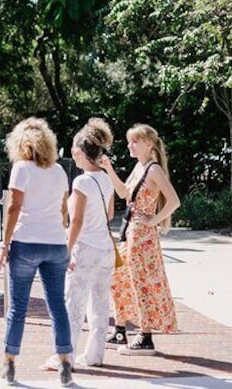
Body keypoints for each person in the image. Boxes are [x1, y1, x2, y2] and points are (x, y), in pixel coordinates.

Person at [0, 117, 74, 387]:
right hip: (55, 243)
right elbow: (64, 211)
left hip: (26, 241)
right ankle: (65, 362)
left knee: (18, 308)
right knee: (57, 306)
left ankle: (9, 363)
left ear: (20, 143)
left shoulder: (21, 169)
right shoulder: (59, 172)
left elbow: (13, 208)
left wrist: (4, 245)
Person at [99, 123, 180, 355]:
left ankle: (145, 335)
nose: (130, 145)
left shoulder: (153, 169)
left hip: (142, 235)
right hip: (130, 230)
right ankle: (121, 329)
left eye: (135, 141)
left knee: (140, 282)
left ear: (149, 144)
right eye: (129, 141)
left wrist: (153, 220)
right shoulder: (139, 167)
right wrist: (109, 169)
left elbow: (174, 200)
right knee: (119, 277)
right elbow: (125, 193)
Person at [42, 118, 116, 371]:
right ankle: (95, 354)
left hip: (86, 248)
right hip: (105, 248)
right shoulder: (105, 179)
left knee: (73, 304)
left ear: (79, 152)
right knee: (100, 303)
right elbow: (109, 215)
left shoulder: (81, 182)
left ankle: (66, 356)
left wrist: (66, 249)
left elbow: (77, 221)